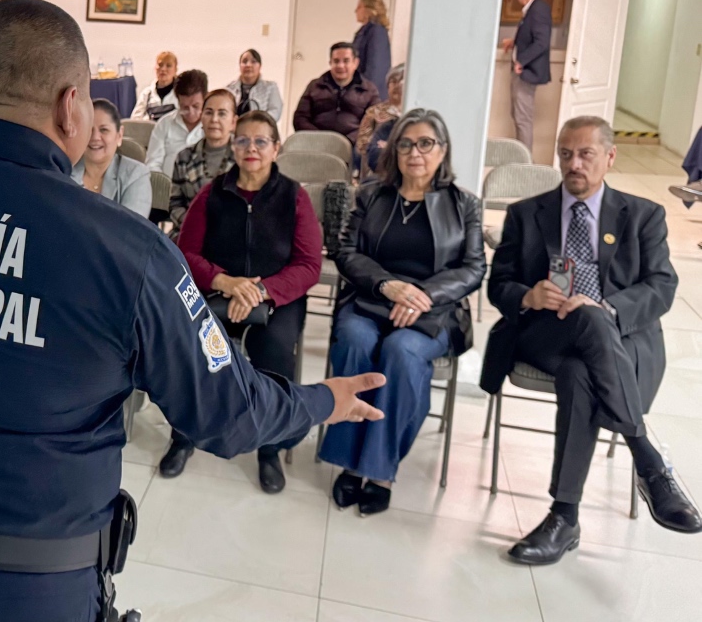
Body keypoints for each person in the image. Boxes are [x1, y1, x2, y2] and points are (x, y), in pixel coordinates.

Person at [0, 0, 385, 622]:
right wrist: (320, 399)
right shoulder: (128, 252)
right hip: (35, 591)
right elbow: (228, 414)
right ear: (71, 105)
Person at [484, 116, 702, 566]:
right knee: (583, 319)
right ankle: (647, 459)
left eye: (585, 154)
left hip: (614, 338)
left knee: (579, 371)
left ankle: (564, 517)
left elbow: (661, 285)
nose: (574, 164)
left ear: (610, 157)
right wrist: (527, 294)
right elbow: (498, 284)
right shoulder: (527, 213)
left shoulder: (642, 215)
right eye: (565, 154)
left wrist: (611, 309)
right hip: (544, 331)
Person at [319, 109, 484, 515]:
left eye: (426, 143)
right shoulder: (371, 195)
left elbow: (474, 267)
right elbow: (346, 252)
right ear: (394, 150)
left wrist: (421, 295)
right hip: (370, 298)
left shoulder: (465, 205)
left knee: (401, 353)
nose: (415, 152)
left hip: (433, 311)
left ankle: (379, 470)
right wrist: (387, 286)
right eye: (406, 143)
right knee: (355, 341)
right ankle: (347, 461)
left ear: (442, 151)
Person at [163, 110, 323, 492]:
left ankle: (269, 446)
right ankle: (184, 435)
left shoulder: (294, 197)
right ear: (233, 146)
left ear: (276, 147)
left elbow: (308, 264)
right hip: (219, 290)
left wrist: (261, 291)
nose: (251, 148)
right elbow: (186, 253)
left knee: (276, 351)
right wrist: (228, 282)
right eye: (243, 141)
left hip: (276, 297)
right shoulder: (212, 192)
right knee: (196, 347)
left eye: (261, 141)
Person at [169, 88, 238, 234]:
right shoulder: (184, 157)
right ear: (201, 118)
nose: (214, 119)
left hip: (232, 236)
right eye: (209, 112)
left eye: (222, 113)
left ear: (233, 122)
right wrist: (195, 226)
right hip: (189, 231)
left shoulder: (243, 158)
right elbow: (175, 204)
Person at [72, 99, 151, 218]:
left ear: (119, 135)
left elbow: (131, 229)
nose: (95, 137)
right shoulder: (65, 172)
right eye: (89, 129)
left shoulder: (136, 174)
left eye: (104, 130)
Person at [501, 0, 552, 154]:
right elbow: (529, 35)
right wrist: (513, 42)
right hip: (523, 70)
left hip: (527, 72)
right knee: (518, 115)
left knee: (523, 118)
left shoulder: (538, 10)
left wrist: (521, 61)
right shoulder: (534, 8)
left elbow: (541, 42)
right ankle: (521, 157)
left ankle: (525, 163)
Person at [292, 42, 380, 147]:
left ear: (355, 63)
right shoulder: (315, 86)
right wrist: (318, 139)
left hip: (353, 146)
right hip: (315, 143)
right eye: (336, 61)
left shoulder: (369, 90)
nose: (340, 65)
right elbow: (300, 118)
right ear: (330, 62)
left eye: (346, 61)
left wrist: (347, 141)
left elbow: (373, 123)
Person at [145, 69, 206, 177]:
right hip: (168, 189)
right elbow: (153, 164)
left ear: (205, 99)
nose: (191, 113)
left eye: (196, 106)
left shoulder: (212, 125)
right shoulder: (164, 124)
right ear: (177, 101)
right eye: (185, 107)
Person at [355, 64, 405, 180]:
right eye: (393, 81)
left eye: (402, 80)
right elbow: (362, 144)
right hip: (378, 164)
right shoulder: (374, 112)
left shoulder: (415, 113)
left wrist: (389, 146)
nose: (398, 85)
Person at [352, 0, 393, 98]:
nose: (355, 10)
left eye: (359, 6)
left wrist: (363, 94)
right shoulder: (365, 32)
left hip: (370, 97)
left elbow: (375, 69)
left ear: (369, 10)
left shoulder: (377, 32)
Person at [226, 49, 284, 120]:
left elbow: (275, 113)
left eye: (253, 61)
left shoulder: (271, 87)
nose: (248, 65)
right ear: (239, 66)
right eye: (244, 61)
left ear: (260, 66)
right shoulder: (229, 88)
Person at [130, 50, 179, 120]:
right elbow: (134, 121)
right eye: (160, 65)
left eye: (168, 66)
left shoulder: (181, 94)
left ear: (175, 70)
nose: (163, 69)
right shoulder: (147, 94)